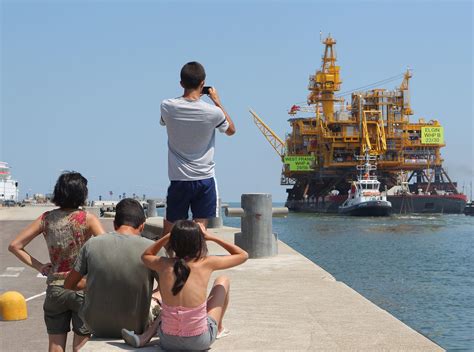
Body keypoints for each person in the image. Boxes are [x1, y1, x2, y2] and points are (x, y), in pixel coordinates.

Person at [9, 172, 104, 352]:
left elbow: (15, 245)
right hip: (82, 287)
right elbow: (107, 248)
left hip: (55, 288)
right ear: (82, 193)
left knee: (55, 345)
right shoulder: (88, 219)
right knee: (82, 346)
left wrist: (39, 266)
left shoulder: (46, 218)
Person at [121, 220, 248, 350]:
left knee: (170, 309)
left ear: (173, 243)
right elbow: (243, 255)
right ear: (199, 242)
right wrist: (211, 237)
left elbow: (146, 255)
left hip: (168, 342)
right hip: (199, 341)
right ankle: (219, 328)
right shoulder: (207, 263)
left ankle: (144, 338)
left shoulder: (163, 264)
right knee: (223, 280)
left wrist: (169, 235)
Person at [64, 198, 161, 338]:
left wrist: (95, 282)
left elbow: (69, 284)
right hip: (136, 326)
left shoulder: (92, 244)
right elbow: (171, 292)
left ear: (115, 224)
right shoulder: (152, 248)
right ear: (142, 226)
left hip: (96, 326)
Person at [160, 61, 236, 236]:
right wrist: (217, 102)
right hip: (205, 178)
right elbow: (231, 130)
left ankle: (167, 260)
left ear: (181, 83)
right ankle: (198, 259)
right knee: (201, 229)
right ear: (203, 84)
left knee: (170, 230)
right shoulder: (213, 113)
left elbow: (164, 122)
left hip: (178, 178)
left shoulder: (167, 106)